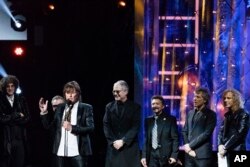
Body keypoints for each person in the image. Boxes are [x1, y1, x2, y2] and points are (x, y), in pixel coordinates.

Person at [39, 81, 94, 167]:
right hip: (61, 152)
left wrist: (73, 128)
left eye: (73, 93)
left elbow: (90, 127)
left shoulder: (86, 108)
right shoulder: (60, 108)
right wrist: (44, 113)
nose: (70, 95)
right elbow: (49, 127)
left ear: (78, 94)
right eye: (68, 93)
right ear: (65, 94)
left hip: (78, 152)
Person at [103, 80, 141, 167]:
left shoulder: (135, 107)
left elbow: (135, 127)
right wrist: (113, 142)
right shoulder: (109, 107)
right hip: (114, 148)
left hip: (129, 148)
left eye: (117, 91)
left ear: (126, 91)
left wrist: (123, 141)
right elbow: (106, 125)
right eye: (114, 91)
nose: (115, 93)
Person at [0, 75, 31, 167]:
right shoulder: (0, 100)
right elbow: (1, 119)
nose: (10, 88)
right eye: (7, 86)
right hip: (5, 140)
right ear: (4, 87)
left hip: (20, 139)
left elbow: (27, 118)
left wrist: (9, 118)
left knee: (19, 163)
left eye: (12, 86)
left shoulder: (21, 99)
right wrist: (16, 115)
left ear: (15, 86)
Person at [182, 87, 217, 167]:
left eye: (198, 97)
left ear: (205, 100)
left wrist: (190, 146)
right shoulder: (190, 113)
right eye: (194, 96)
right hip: (188, 155)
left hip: (202, 155)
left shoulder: (211, 115)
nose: (194, 99)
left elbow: (206, 133)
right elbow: (184, 131)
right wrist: (187, 146)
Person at [141, 95, 179, 167]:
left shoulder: (170, 119)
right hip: (151, 156)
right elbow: (146, 140)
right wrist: (144, 156)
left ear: (163, 106)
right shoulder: (148, 120)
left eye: (157, 104)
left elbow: (175, 139)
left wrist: (174, 156)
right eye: (153, 104)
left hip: (165, 157)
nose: (155, 106)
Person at [217, 89, 249, 166]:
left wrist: (225, 147)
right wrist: (220, 145)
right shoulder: (227, 115)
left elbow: (239, 134)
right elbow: (221, 132)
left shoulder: (243, 114)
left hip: (237, 151)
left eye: (228, 98)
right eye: (224, 98)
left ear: (235, 99)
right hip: (224, 152)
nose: (225, 100)